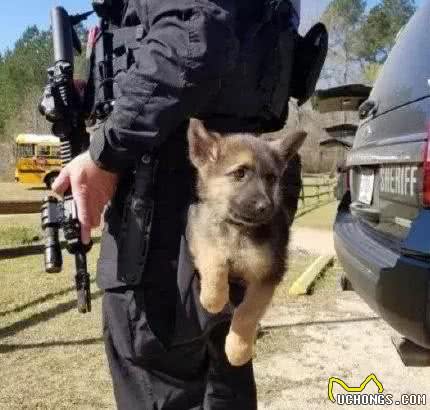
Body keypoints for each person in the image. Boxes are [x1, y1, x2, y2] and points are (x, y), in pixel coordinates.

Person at [52, 0, 326, 408]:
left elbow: (194, 35)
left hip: (175, 201)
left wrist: (105, 152)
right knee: (224, 378)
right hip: (222, 190)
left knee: (161, 371)